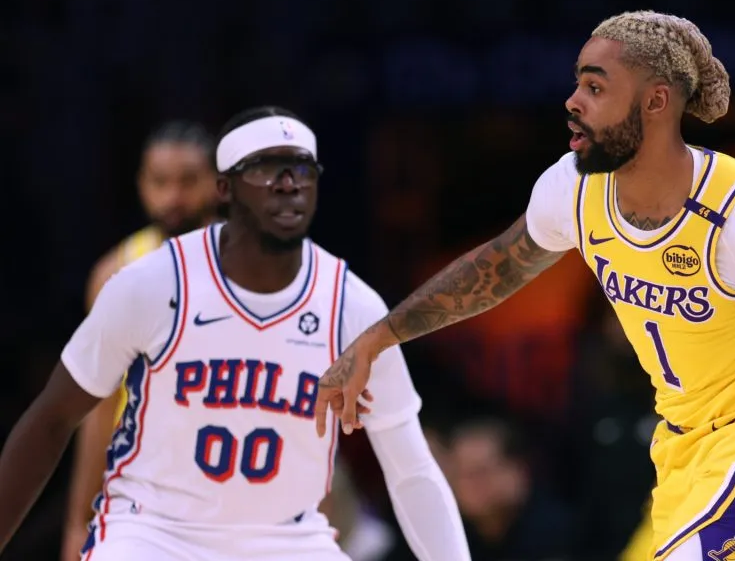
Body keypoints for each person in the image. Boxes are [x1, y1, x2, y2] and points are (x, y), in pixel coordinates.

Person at [316, 11, 735, 561]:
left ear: (656, 102)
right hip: (683, 441)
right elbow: (496, 267)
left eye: (596, 87)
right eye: (578, 83)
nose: (573, 101)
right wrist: (380, 336)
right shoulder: (574, 191)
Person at [0, 106, 470, 561]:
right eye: (266, 170)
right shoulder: (145, 281)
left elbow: (411, 469)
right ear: (225, 188)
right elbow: (57, 417)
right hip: (155, 531)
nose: (286, 185)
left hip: (286, 537)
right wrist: (76, 522)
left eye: (300, 171)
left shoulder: (352, 305)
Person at [63, 120, 221, 561]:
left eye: (188, 181)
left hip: (228, 489)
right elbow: (96, 405)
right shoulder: (115, 273)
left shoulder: (252, 271)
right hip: (141, 493)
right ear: (141, 185)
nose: (173, 197)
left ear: (218, 183)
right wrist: (79, 522)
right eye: (160, 182)